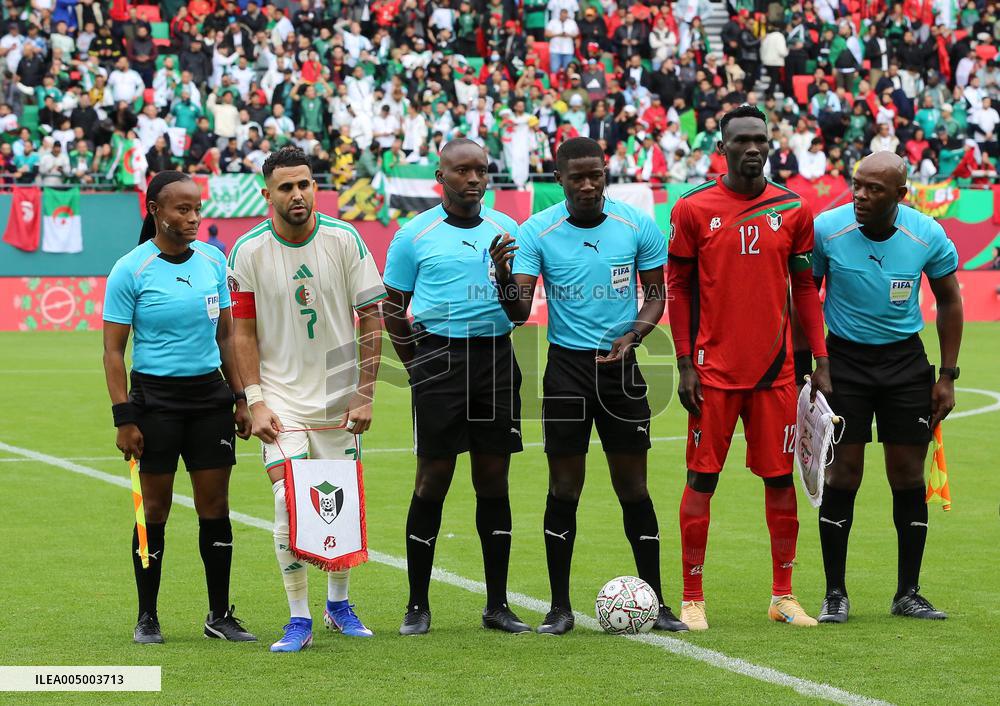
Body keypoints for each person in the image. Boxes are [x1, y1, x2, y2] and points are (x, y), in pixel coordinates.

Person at [491, 137, 687, 635]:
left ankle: (658, 603)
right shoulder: (538, 231)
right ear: (558, 179)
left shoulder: (637, 225)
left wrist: (633, 335)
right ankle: (559, 608)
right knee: (564, 489)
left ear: (605, 173)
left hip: (622, 369)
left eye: (595, 175)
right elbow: (518, 312)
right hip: (567, 372)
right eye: (576, 177)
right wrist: (502, 275)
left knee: (634, 488)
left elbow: (656, 296)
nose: (587, 185)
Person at [666, 105, 831, 631]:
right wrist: (684, 362)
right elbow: (678, 288)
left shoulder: (793, 208)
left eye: (761, 138)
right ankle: (692, 598)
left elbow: (804, 288)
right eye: (741, 140)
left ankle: (783, 595)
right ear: (722, 147)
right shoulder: (692, 208)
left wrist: (820, 360)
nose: (753, 148)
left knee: (780, 481)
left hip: (775, 374)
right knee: (701, 480)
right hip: (712, 374)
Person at [228, 147, 387, 652]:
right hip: (281, 401)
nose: (297, 195)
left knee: (337, 502)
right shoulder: (248, 250)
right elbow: (241, 332)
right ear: (267, 194)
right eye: (286, 187)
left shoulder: (345, 239)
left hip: (339, 401)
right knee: (287, 500)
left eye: (304, 184)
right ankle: (298, 617)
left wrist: (364, 393)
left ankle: (338, 605)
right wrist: (255, 400)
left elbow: (372, 316)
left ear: (314, 187)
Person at [102, 171, 256, 645]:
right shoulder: (131, 269)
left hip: (209, 400)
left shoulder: (213, 260)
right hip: (156, 403)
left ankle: (219, 615)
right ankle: (147, 616)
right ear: (155, 210)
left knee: (215, 506)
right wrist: (124, 418)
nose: (192, 218)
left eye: (196, 209)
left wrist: (240, 398)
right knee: (154, 509)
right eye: (182, 209)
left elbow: (226, 336)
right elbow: (113, 352)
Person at [382, 138, 528, 636]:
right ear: (440, 177)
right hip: (438, 359)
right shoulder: (413, 235)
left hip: (496, 359)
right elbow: (392, 308)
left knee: (494, 481)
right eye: (462, 171)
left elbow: (519, 311)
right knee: (432, 480)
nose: (473, 179)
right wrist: (416, 367)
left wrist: (504, 273)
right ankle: (417, 605)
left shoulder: (506, 230)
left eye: (481, 171)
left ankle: (497, 605)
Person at [812, 151, 963, 623]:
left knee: (908, 475)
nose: (860, 195)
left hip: (904, 363)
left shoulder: (926, 234)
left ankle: (908, 593)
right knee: (843, 475)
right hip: (844, 362)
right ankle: (835, 593)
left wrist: (947, 376)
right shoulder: (826, 229)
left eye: (874, 189)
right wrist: (814, 363)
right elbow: (803, 297)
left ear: (900, 195)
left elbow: (950, 300)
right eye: (856, 184)